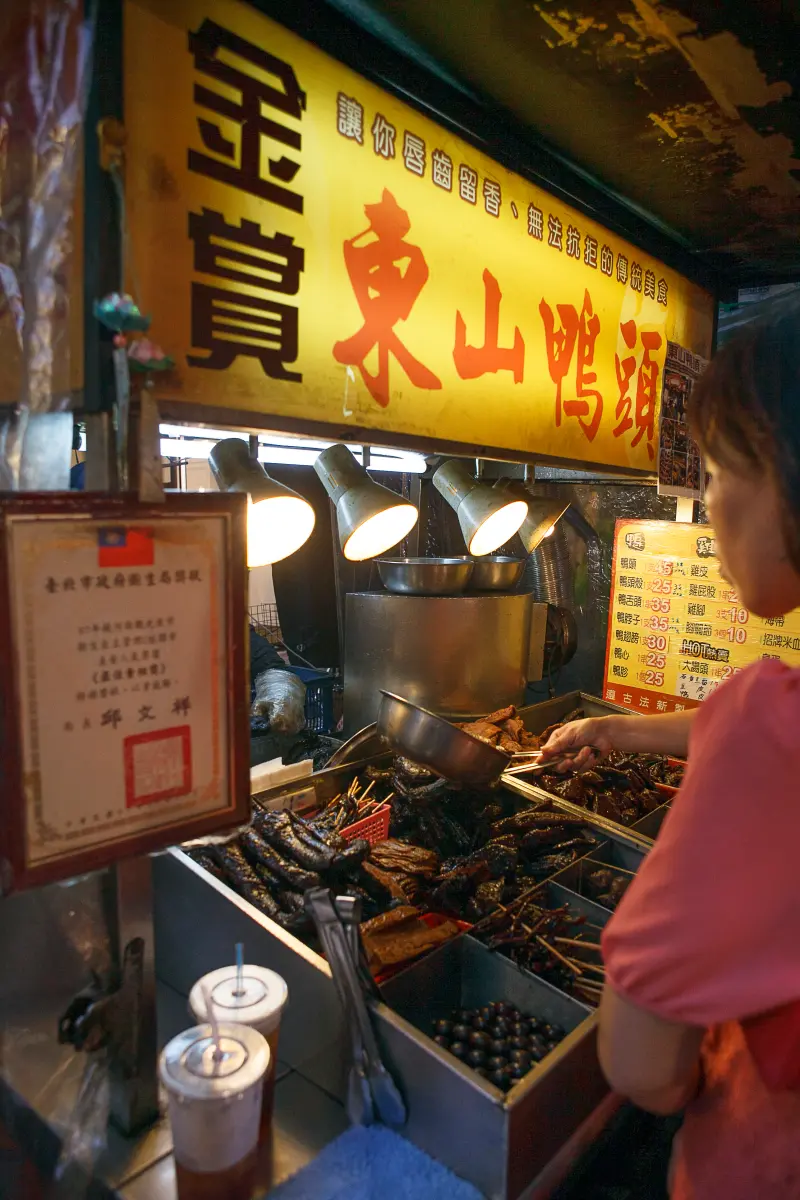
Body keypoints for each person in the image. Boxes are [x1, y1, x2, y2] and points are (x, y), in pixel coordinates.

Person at [542, 299, 800, 1199]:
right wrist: (617, 729)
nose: (712, 498)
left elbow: (642, 1063)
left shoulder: (761, 728)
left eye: (725, 467)